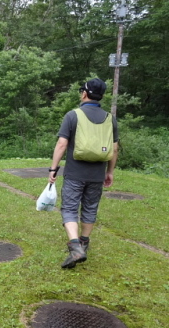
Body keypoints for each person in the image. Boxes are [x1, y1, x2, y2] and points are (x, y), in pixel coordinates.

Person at [48, 78, 119, 269]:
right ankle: (84, 243)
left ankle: (75, 247)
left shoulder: (73, 115)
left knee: (70, 208)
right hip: (97, 174)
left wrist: (53, 169)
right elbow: (115, 148)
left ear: (84, 93)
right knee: (90, 207)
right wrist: (109, 172)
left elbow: (62, 144)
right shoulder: (109, 118)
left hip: (75, 173)